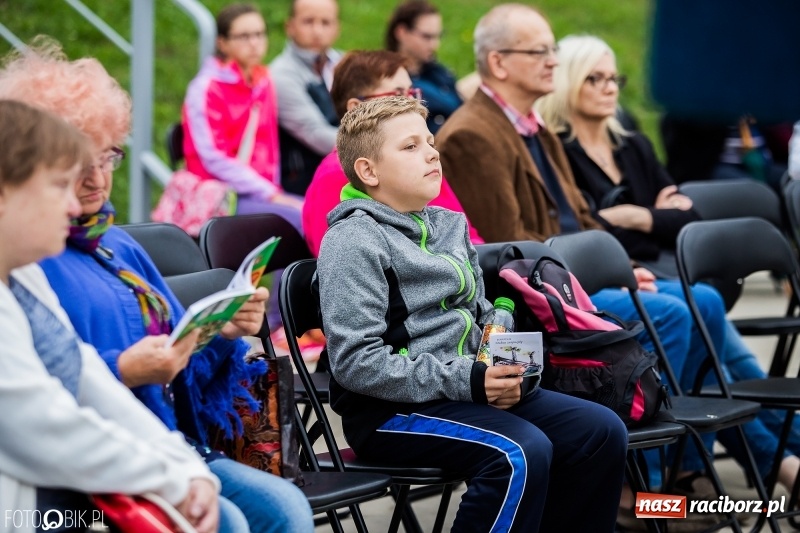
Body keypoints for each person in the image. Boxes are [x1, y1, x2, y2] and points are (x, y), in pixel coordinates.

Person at [433, 4, 732, 520]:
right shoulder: (473, 136)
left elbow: (581, 217)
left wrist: (616, 263)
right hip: (539, 302)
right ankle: (646, 494)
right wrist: (598, 273)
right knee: (677, 313)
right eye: (541, 50)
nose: (554, 59)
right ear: (499, 63)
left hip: (575, 283)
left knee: (702, 301)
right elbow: (509, 249)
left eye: (552, 49)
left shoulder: (535, 127)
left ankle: (668, 475)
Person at [0, 42, 314, 533]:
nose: (95, 179)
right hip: (85, 474)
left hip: (165, 443)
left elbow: (167, 361)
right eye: (73, 168)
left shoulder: (117, 248)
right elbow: (50, 401)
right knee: (229, 518)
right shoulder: (30, 262)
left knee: (284, 508)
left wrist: (222, 329)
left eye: (107, 157)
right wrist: (127, 370)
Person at [318, 95, 627, 532]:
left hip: (468, 390)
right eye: (410, 147)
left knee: (600, 431)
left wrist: (510, 370)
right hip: (390, 411)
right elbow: (355, 362)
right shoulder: (352, 242)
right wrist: (469, 379)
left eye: (429, 141)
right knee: (518, 451)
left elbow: (484, 316)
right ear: (368, 171)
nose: (431, 152)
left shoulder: (449, 224)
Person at [536, 33, 800, 498]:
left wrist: (636, 216)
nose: (608, 87)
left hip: (660, 272)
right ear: (569, 84)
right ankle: (675, 481)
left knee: (717, 332)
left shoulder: (631, 144)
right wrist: (652, 218)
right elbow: (587, 235)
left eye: (613, 77)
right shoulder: (560, 151)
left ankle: (754, 465)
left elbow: (686, 216)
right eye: (593, 78)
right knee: (712, 338)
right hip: (624, 280)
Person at [0, 100, 221, 533]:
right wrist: (173, 479)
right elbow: (38, 423)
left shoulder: (22, 274)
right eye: (59, 184)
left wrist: (186, 466)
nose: (72, 205)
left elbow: (85, 376)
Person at [302, 49, 483, 257]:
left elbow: (466, 233)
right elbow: (337, 260)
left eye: (412, 93)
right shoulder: (337, 174)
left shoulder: (423, 158)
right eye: (398, 95)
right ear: (356, 107)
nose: (411, 103)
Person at [182, 3, 303, 226]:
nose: (254, 43)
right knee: (300, 220)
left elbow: (269, 148)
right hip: (222, 194)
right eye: (244, 36)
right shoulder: (205, 88)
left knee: (318, 213)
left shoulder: (263, 80)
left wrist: (273, 192)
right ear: (222, 43)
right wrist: (270, 193)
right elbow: (213, 158)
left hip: (261, 190)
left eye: (259, 34)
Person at [270, 0, 342, 195]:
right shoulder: (280, 74)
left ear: (337, 28)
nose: (317, 31)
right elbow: (315, 134)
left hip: (351, 170)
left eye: (325, 23)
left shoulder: (344, 63)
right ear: (290, 26)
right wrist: (375, 148)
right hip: (306, 184)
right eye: (308, 21)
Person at [385, 0, 462, 133]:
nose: (435, 45)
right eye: (427, 37)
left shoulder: (440, 73)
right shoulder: (388, 80)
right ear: (401, 32)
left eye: (438, 36)